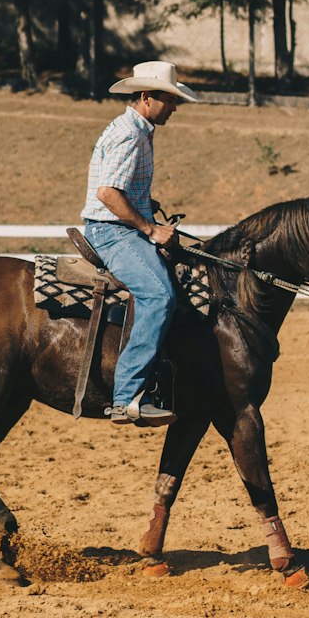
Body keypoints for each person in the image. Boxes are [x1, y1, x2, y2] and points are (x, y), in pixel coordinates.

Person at [81, 59, 201, 427]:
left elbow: (121, 189)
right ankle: (127, 396)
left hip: (121, 226)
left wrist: (147, 206)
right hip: (111, 231)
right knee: (158, 295)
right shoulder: (130, 134)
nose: (175, 107)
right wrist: (149, 228)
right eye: (170, 99)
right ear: (147, 97)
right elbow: (107, 193)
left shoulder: (138, 129)